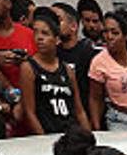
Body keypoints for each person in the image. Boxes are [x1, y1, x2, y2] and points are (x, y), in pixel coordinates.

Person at [13, 9, 89, 137]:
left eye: (45, 33)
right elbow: (29, 112)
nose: (39, 38)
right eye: (36, 32)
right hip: (49, 134)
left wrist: (89, 136)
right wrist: (43, 139)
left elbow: (79, 110)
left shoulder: (67, 70)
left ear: (57, 39)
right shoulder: (28, 67)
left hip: (72, 133)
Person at [49, 1, 95, 90]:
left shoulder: (88, 52)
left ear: (73, 26)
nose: (52, 25)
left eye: (58, 20)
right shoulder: (51, 53)